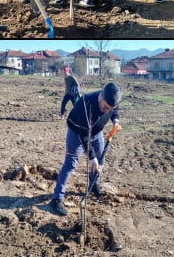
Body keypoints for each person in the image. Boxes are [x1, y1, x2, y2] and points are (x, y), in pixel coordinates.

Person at [50, 83, 122, 216]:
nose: (106, 111)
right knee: (71, 163)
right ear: (101, 96)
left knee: (101, 159)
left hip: (96, 131)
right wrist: (92, 159)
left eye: (109, 109)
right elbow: (84, 137)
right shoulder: (85, 104)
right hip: (77, 132)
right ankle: (56, 199)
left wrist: (115, 120)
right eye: (105, 107)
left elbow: (115, 110)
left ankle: (93, 183)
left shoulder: (112, 100)